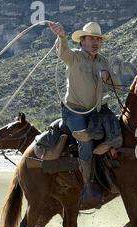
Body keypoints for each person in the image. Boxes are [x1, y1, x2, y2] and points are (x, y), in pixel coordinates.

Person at [49, 21, 123, 207]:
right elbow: (62, 52)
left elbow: (117, 86)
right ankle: (87, 184)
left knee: (117, 129)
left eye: (98, 39)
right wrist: (61, 36)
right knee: (85, 139)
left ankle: (111, 172)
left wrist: (109, 77)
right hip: (73, 111)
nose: (95, 42)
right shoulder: (74, 57)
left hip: (95, 112)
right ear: (82, 41)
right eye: (91, 38)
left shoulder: (103, 61)